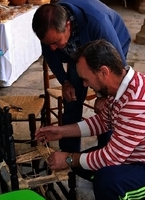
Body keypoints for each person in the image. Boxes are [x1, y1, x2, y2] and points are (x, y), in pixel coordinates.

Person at [35, 39, 145, 200]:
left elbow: (111, 157)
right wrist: (62, 131)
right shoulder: (122, 87)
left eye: (86, 78)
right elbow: (102, 122)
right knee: (83, 165)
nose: (85, 84)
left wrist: (69, 159)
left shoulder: (135, 102)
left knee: (106, 181)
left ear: (103, 72)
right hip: (131, 155)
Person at [32, 0, 131, 153]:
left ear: (68, 26)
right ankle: (68, 152)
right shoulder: (49, 26)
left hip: (112, 44)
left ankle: (105, 149)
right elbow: (50, 56)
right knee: (72, 99)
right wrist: (65, 82)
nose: (52, 47)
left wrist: (103, 96)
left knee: (107, 106)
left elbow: (117, 70)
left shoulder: (98, 22)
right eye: (48, 43)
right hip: (78, 51)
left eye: (56, 42)